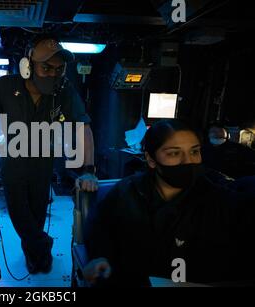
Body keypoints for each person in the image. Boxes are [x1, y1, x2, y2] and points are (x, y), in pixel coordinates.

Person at [0, 35, 98, 274]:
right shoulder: (5, 87)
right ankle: (43, 247)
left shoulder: (64, 91)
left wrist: (88, 170)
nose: (53, 74)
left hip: (44, 166)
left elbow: (83, 126)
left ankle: (35, 257)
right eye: (46, 67)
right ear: (28, 66)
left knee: (35, 217)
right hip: (13, 164)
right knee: (20, 217)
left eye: (59, 69)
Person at [84, 119, 255, 286]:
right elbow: (100, 227)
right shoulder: (127, 192)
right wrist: (100, 255)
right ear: (151, 160)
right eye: (174, 153)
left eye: (194, 152)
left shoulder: (217, 196)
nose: (187, 161)